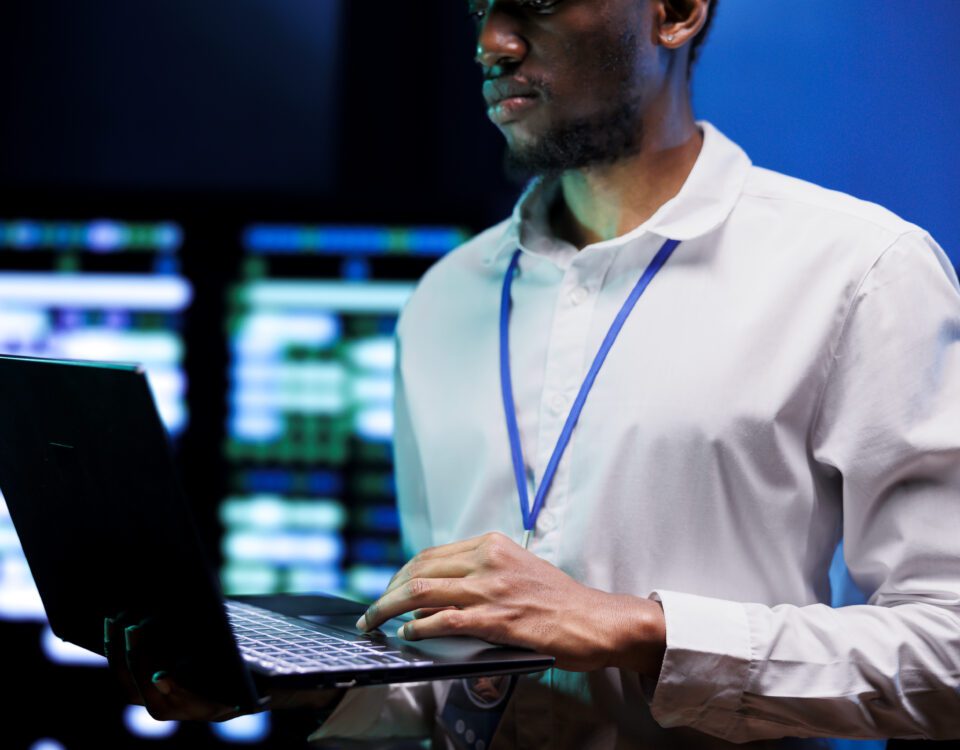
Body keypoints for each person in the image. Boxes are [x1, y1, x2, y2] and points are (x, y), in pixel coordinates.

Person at [113, 0, 960, 747]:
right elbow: (443, 672)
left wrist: (643, 630)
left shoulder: (861, 272)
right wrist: (295, 679)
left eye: (537, 1)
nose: (491, 42)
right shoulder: (445, 298)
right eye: (479, 5)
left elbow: (948, 657)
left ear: (675, 10)